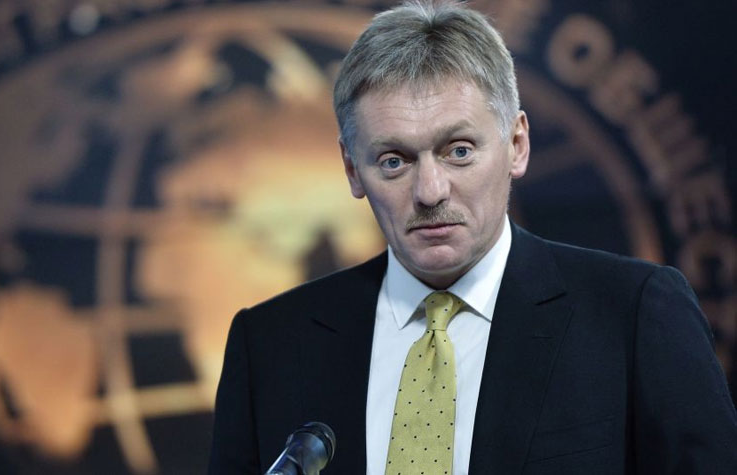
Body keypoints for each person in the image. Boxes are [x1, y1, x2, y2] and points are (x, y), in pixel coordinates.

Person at [208, 1, 737, 473]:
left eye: (458, 151)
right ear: (351, 169)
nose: (430, 191)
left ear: (517, 144)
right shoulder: (270, 343)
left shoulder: (632, 315)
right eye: (393, 161)